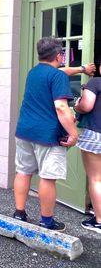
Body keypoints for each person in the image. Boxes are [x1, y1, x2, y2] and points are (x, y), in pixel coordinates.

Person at [13, 37, 78, 231]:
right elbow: (61, 107)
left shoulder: (33, 72)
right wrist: (73, 134)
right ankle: (47, 221)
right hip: (47, 135)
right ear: (58, 55)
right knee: (48, 177)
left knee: (23, 171)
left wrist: (82, 69)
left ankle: (19, 213)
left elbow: (58, 73)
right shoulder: (57, 77)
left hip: (24, 131)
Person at [73, 66, 101, 234]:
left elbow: (86, 106)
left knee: (96, 179)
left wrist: (77, 106)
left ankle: (99, 221)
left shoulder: (96, 82)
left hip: (95, 135)